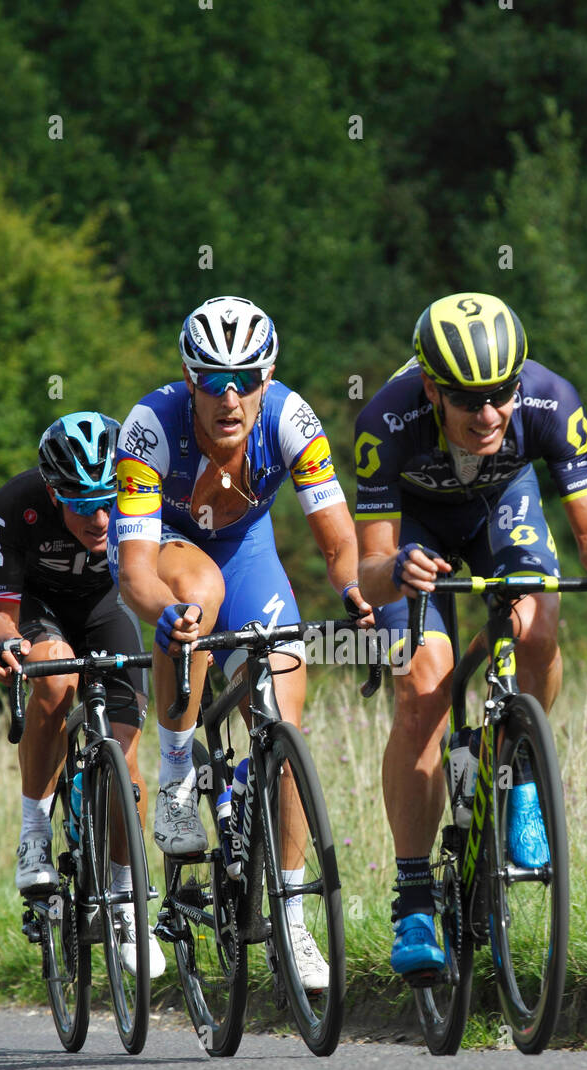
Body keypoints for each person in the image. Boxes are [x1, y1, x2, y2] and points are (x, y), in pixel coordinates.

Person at [354, 293, 587, 975]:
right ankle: (413, 898)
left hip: (500, 510)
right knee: (421, 690)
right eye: (468, 401)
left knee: (538, 621)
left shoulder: (551, 401)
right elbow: (368, 569)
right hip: (417, 534)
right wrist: (397, 568)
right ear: (432, 388)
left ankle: (516, 762)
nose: (489, 415)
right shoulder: (385, 421)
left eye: (501, 395)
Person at [109, 295, 371, 989]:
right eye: (214, 381)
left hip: (248, 553)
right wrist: (164, 611)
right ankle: (174, 773)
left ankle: (290, 916)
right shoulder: (149, 427)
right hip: (168, 551)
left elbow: (339, 539)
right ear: (188, 378)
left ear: (269, 373)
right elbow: (134, 568)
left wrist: (351, 591)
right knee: (198, 596)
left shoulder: (290, 418)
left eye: (246, 379)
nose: (231, 397)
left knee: (283, 719)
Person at [0, 411, 162, 977]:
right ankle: (34, 833)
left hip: (105, 608)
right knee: (55, 677)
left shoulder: (138, 486)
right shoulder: (16, 505)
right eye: (85, 505)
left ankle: (124, 899)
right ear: (56, 492)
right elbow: (0, 616)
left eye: (109, 501)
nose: (102, 518)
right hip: (40, 611)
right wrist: (9, 644)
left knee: (128, 760)